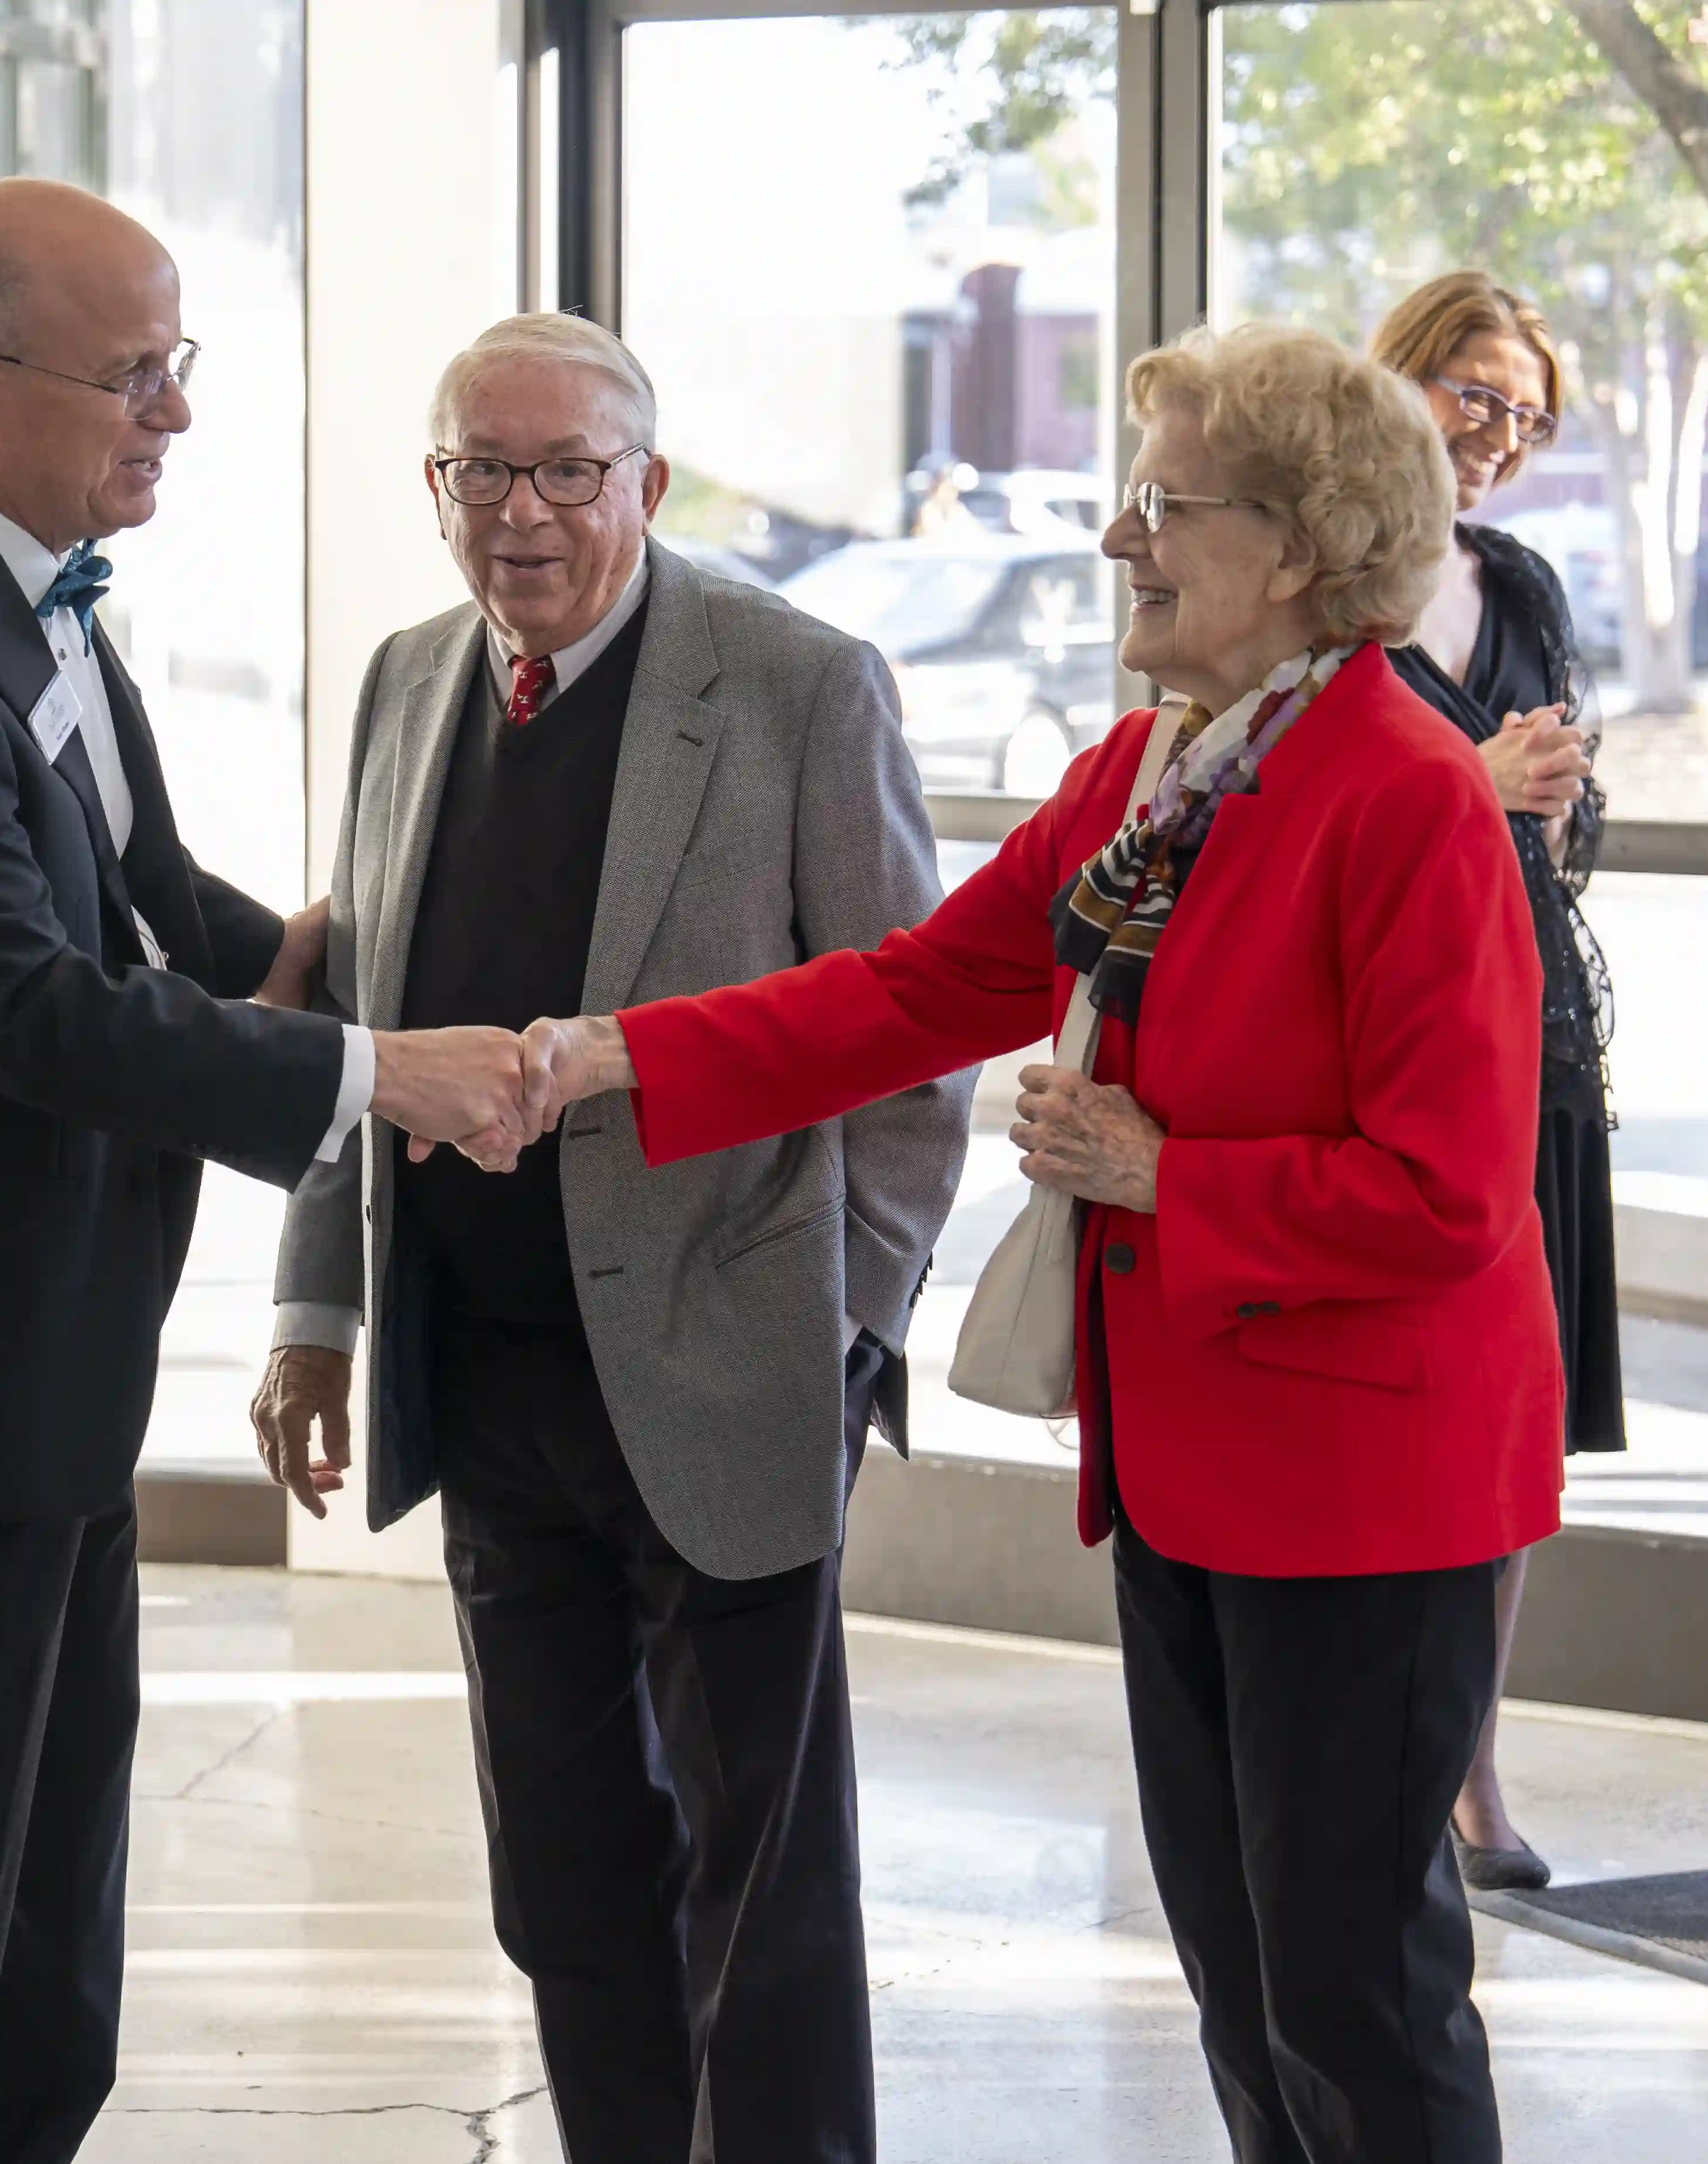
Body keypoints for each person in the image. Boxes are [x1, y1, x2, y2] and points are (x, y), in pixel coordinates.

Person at [522, 324, 1562, 2164]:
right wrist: (611, 1057)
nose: (1115, 539)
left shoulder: (1405, 792)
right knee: (1245, 1977)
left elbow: (1452, 1193)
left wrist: (1168, 1174)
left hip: (1362, 1487)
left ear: (1306, 546)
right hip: (1188, 1472)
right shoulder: (1158, 775)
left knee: (1353, 1996)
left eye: (1164, 504)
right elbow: (917, 988)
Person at [0, 178, 530, 2164]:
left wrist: (366, 945)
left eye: (181, 366)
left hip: (31, 1344)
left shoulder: (23, 574)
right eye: (136, 378)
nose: (174, 414)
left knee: (51, 1876)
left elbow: (146, 894)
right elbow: (36, 1010)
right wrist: (369, 1071)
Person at [249, 314, 968, 2163]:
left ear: (646, 478)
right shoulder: (408, 681)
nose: (523, 512)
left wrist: (849, 1333)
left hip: (729, 1368)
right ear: (435, 487)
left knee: (766, 1894)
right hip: (483, 1387)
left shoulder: (801, 682)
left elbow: (909, 1042)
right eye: (480, 469)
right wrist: (318, 1307)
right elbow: (363, 1028)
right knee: (566, 1881)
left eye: (569, 468)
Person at [1371, 269, 1623, 1893]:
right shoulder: (1322, 572)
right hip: (1380, 1050)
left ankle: (1470, 1763)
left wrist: (1538, 804)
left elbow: (1574, 833)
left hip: (1532, 1037)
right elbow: (1274, 799)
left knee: (1512, 1427)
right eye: (1475, 391)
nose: (1498, 435)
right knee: (1400, 1402)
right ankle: (1388, 1749)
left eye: (1528, 414)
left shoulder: (1518, 580)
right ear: (1403, 378)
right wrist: (1471, 780)